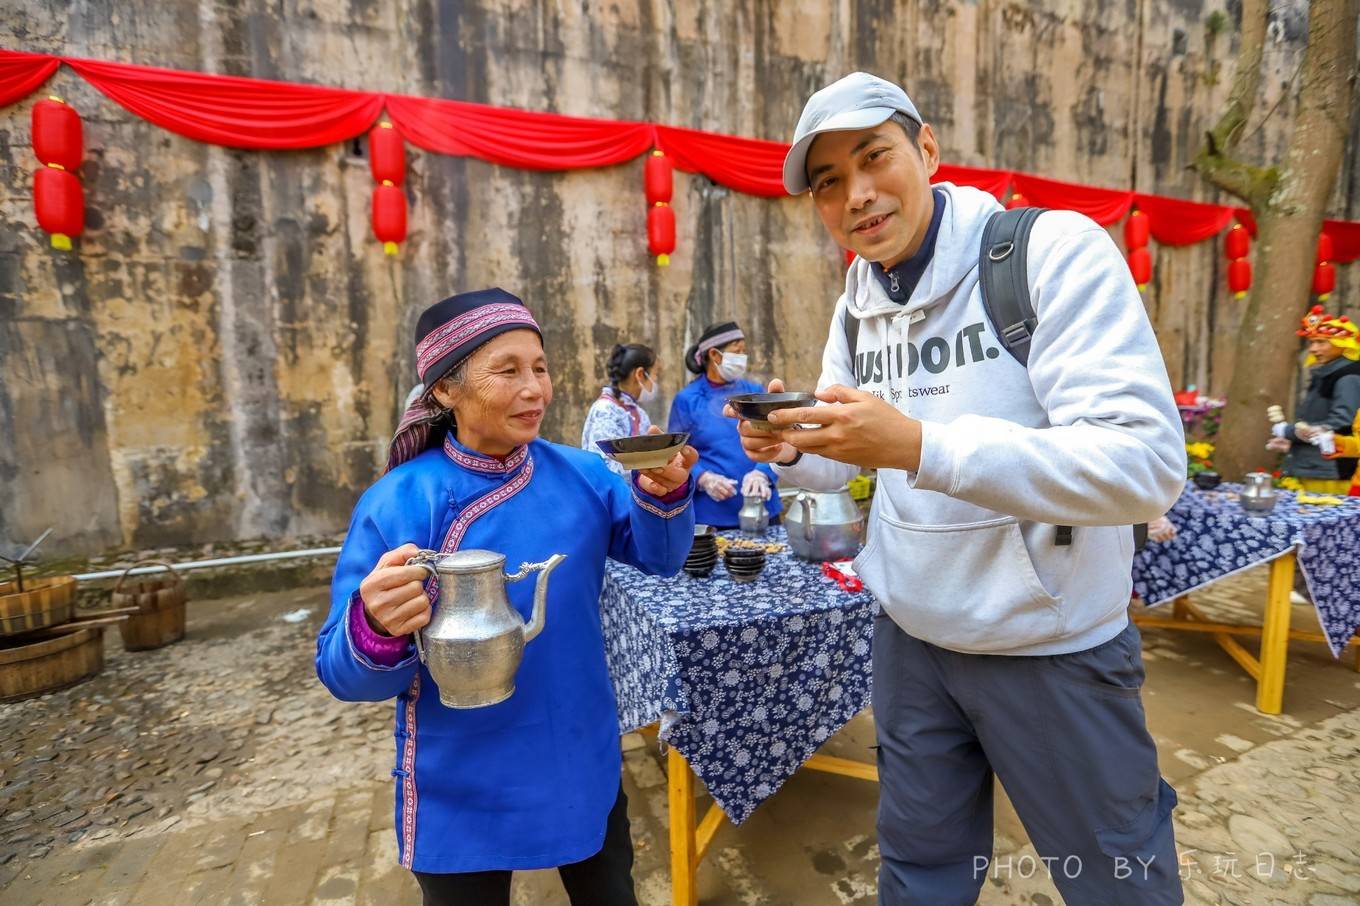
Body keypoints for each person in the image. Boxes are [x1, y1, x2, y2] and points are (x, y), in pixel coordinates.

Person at [734, 73, 1187, 903]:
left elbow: (1144, 462)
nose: (857, 195)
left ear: (928, 149)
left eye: (874, 158)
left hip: (1050, 645)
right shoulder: (856, 305)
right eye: (828, 181)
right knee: (920, 873)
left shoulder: (1049, 250)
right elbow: (847, 461)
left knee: (1117, 879)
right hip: (912, 639)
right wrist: (789, 449)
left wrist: (922, 445)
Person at [315, 289, 697, 906]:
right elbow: (342, 671)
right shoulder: (397, 503)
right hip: (458, 775)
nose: (535, 389)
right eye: (508, 370)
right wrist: (375, 626)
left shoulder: (584, 476)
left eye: (540, 368)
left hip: (574, 748)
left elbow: (661, 556)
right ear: (445, 390)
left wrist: (664, 490)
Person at [667, 321, 782, 528]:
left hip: (762, 508)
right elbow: (675, 452)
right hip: (712, 514)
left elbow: (778, 437)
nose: (742, 357)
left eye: (743, 351)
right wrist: (703, 478)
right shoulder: (687, 400)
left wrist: (762, 472)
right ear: (714, 355)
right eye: (737, 351)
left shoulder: (754, 391)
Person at [1268, 306, 1360, 494]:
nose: (1313, 349)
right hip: (1316, 467)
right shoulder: (1327, 372)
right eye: (1311, 342)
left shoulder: (1347, 377)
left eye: (1321, 342)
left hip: (1332, 469)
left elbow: (1342, 422)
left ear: (1342, 344)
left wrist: (1290, 431)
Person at [581, 343, 660, 476]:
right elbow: (603, 466)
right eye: (656, 374)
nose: (656, 381)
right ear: (640, 374)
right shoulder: (605, 411)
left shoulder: (639, 414)